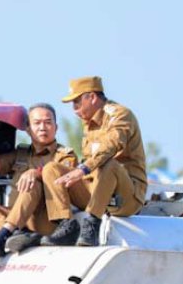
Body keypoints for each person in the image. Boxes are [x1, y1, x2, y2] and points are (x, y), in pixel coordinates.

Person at [41, 76, 147, 247]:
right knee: (51, 169)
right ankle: (66, 226)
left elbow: (111, 145)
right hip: (95, 192)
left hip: (125, 196)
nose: (74, 109)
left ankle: (91, 224)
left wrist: (83, 169)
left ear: (92, 97)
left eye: (77, 102)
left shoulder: (120, 115)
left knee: (109, 163)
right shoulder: (88, 123)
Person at [0, 103, 78, 259]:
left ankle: (3, 237)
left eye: (48, 122)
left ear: (56, 127)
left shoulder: (65, 155)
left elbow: (66, 179)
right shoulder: (22, 153)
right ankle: (16, 235)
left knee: (33, 184)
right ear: (27, 128)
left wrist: (36, 173)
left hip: (44, 219)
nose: (43, 127)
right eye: (37, 123)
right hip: (16, 218)